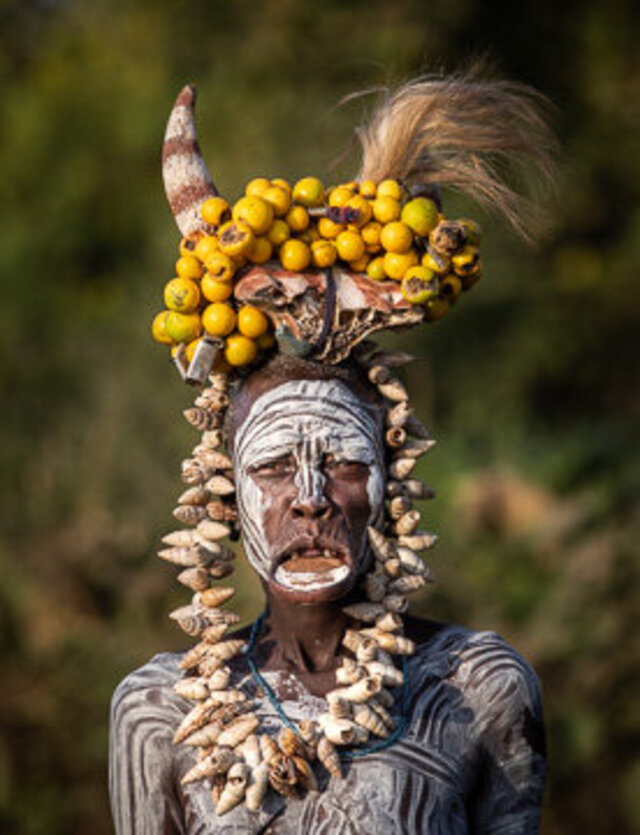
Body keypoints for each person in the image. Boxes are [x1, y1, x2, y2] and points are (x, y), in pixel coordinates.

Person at [110, 73, 555, 833]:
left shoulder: (479, 686)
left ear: (389, 482)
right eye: (274, 467)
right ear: (223, 491)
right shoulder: (157, 712)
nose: (309, 496)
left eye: (345, 461)